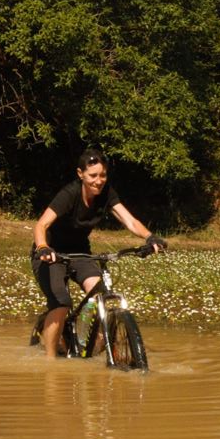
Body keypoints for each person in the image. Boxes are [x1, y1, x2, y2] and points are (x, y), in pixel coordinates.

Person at [31, 148, 166, 358]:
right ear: (80, 174)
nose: (98, 180)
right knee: (61, 303)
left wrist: (150, 237)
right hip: (51, 254)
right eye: (93, 175)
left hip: (80, 254)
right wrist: (43, 248)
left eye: (102, 175)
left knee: (98, 293)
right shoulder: (69, 194)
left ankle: (85, 341)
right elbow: (41, 224)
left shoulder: (107, 193)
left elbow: (128, 220)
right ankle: (50, 363)